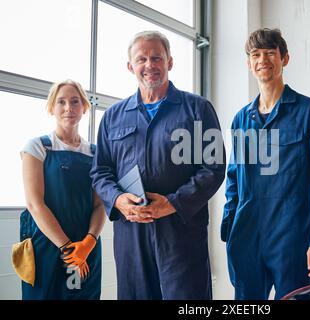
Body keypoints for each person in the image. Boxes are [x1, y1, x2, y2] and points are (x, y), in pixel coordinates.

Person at [90, 30, 225, 300]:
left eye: (156, 58)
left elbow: (213, 168)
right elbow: (100, 172)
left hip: (181, 230)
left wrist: (172, 203)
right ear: (130, 67)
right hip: (131, 232)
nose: (149, 65)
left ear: (169, 62)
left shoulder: (197, 109)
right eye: (141, 59)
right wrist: (118, 200)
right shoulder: (113, 117)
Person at [221, 28, 310, 300]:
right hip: (247, 237)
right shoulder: (241, 119)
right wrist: (228, 228)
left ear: (285, 59)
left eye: (271, 53)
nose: (263, 60)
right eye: (256, 54)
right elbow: (234, 177)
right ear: (249, 64)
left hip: (293, 237)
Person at [18, 79, 105, 299]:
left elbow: (99, 204)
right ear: (51, 108)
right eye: (61, 102)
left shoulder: (95, 153)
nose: (69, 108)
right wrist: (68, 249)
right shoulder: (37, 147)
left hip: (85, 249)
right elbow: (35, 204)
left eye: (75, 101)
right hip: (47, 246)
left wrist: (88, 243)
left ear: (84, 107)